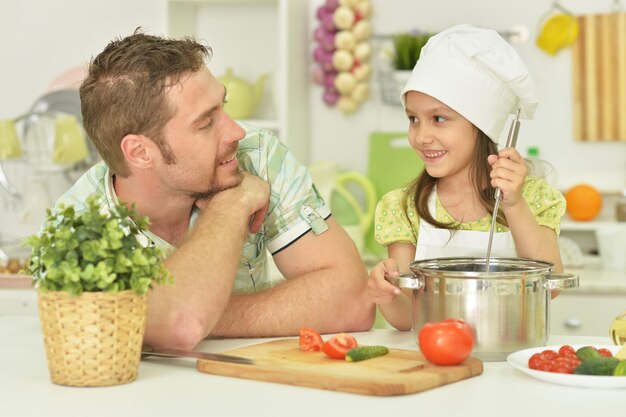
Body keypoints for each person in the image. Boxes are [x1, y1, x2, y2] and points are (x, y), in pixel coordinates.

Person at [52, 29, 375, 349]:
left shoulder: (255, 154)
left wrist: (180, 316)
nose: (235, 131)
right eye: (206, 123)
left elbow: (355, 299)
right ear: (140, 152)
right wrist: (231, 206)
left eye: (223, 106)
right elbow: (172, 328)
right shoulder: (77, 227)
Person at [368, 24, 566, 330]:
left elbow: (550, 284)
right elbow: (408, 319)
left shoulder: (533, 197)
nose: (421, 136)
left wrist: (513, 205)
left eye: (439, 119)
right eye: (413, 119)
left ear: (482, 125)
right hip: (437, 362)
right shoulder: (404, 207)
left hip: (508, 360)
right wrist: (387, 294)